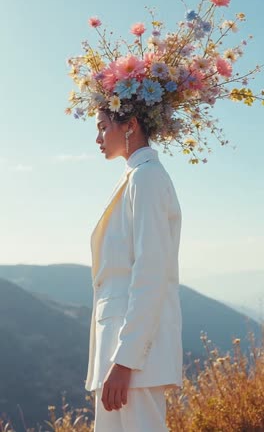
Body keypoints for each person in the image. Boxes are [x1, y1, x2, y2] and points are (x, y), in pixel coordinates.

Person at [84, 107, 183, 431]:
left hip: (135, 359)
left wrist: (126, 359)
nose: (98, 137)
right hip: (119, 352)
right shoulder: (133, 178)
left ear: (130, 125)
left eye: (103, 127)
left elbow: (151, 271)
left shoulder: (147, 178)